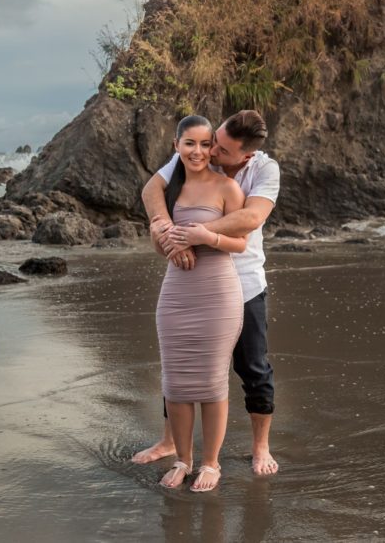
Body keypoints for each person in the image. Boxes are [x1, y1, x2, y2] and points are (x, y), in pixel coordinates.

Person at [132, 109, 281, 476]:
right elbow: (153, 189)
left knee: (253, 367)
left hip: (243, 284)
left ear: (246, 155)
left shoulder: (264, 170)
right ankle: (171, 442)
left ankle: (260, 446)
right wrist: (164, 230)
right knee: (179, 366)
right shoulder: (196, 152)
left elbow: (250, 219)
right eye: (214, 141)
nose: (211, 152)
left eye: (221, 150)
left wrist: (200, 234)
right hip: (190, 281)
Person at [149, 115, 248, 492]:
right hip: (176, 293)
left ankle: (210, 463)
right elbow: (157, 241)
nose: (198, 151)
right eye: (190, 143)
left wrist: (206, 237)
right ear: (175, 146)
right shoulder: (169, 189)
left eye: (206, 144)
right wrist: (170, 245)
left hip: (217, 292)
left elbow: (241, 243)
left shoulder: (227, 187)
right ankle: (183, 459)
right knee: (175, 382)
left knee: (211, 380)